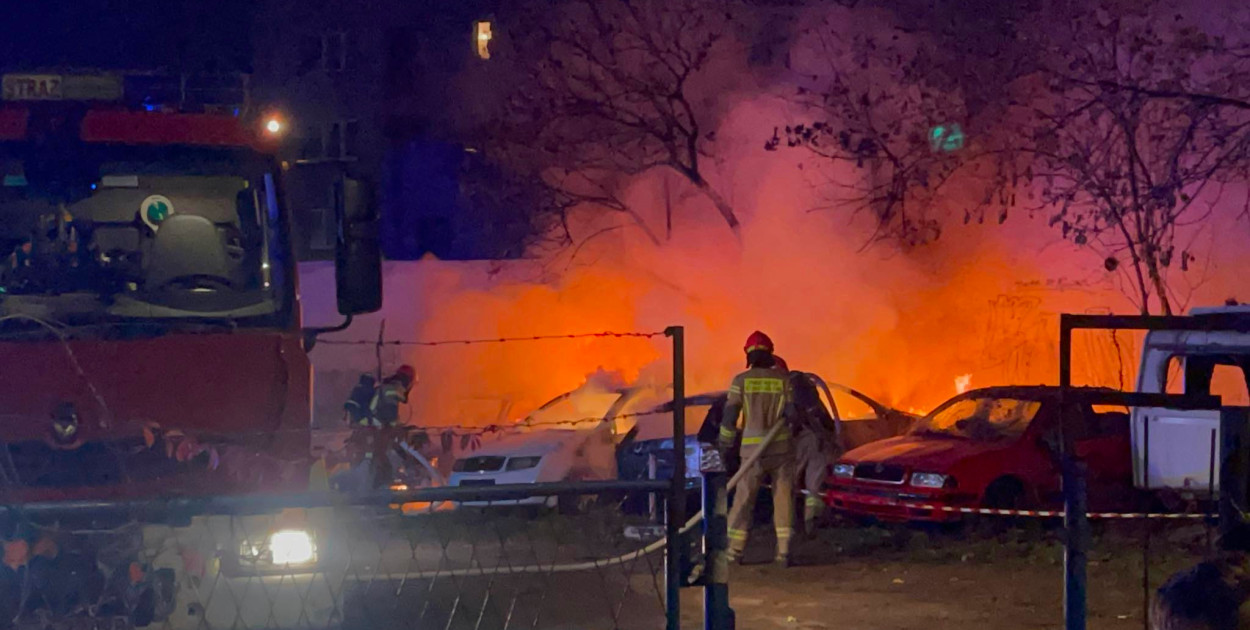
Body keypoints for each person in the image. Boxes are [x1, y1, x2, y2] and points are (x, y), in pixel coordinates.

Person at [719, 331, 797, 567]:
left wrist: (725, 443)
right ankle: (783, 552)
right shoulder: (784, 380)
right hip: (782, 450)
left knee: (744, 499)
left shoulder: (741, 381)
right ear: (770, 354)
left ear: (749, 355)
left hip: (752, 454)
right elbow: (792, 415)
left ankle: (733, 551)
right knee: (783, 500)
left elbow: (730, 415)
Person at [787, 370, 841, 536]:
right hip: (814, 441)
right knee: (814, 485)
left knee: (788, 484)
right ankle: (811, 523)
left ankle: (790, 524)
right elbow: (823, 419)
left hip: (797, 441)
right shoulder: (802, 386)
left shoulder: (786, 388)